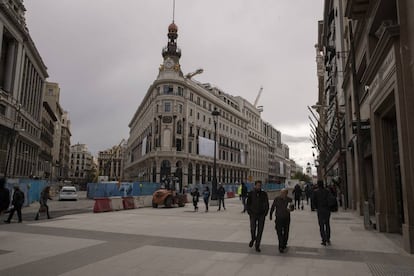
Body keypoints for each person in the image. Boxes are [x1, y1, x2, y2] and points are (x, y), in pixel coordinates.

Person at [246, 180, 269, 252]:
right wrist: (249, 212)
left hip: (261, 215)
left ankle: (257, 245)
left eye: (260, 185)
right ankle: (253, 239)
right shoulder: (251, 193)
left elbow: (267, 204)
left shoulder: (264, 194)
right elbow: (248, 204)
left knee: (260, 230)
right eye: (258, 185)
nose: (259, 187)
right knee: (253, 228)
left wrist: (265, 213)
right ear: (255, 186)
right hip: (253, 214)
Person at [269, 188, 294, 253]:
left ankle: (284, 243)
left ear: (286, 193)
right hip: (278, 218)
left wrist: (291, 209)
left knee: (286, 232)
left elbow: (292, 208)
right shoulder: (277, 199)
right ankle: (280, 245)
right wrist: (270, 215)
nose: (282, 194)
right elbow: (273, 207)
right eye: (281, 193)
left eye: (284, 193)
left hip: (286, 218)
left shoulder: (289, 200)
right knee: (279, 232)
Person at [312, 180, 332, 246]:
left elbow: (313, 201)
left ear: (318, 184)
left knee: (321, 225)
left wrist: (316, 207)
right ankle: (328, 238)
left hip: (320, 210)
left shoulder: (316, 192)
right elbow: (330, 200)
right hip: (327, 209)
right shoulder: (327, 191)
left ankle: (323, 240)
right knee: (327, 224)